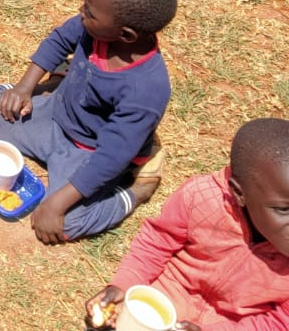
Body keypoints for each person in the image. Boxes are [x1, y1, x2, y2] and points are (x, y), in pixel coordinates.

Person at [0, 0, 177, 245]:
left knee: (64, 223)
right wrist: (24, 88)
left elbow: (109, 159)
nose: (81, 13)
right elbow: (59, 41)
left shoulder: (146, 90)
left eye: (89, 12)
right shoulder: (93, 27)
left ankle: (135, 192)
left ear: (126, 35)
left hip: (88, 152)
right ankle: (58, 84)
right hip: (56, 116)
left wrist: (57, 203)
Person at [85, 117, 289, 330]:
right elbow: (155, 243)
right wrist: (123, 284)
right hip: (164, 300)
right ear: (239, 193)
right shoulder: (200, 198)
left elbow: (279, 323)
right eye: (284, 209)